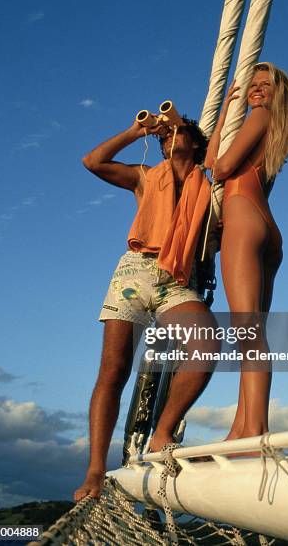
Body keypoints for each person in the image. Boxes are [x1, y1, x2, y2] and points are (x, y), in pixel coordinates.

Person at [74, 114, 217, 501]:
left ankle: (162, 432)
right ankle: (95, 470)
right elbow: (93, 161)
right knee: (114, 369)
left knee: (206, 346)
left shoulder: (211, 181)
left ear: (197, 142)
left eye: (177, 130)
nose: (168, 135)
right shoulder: (144, 176)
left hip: (179, 279)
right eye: (164, 133)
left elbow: (226, 147)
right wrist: (136, 131)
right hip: (136, 271)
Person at [204, 62, 288, 442]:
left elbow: (219, 167)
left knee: (247, 334)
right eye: (253, 85)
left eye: (265, 85)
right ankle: (240, 428)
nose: (257, 91)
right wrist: (227, 119)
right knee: (252, 333)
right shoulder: (277, 129)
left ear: (277, 94)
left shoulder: (261, 116)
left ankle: (254, 431)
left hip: (244, 222)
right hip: (267, 228)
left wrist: (222, 121)